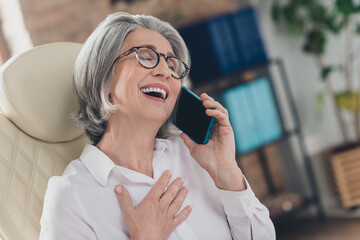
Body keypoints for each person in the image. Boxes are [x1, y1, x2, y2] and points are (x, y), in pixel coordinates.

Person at [39, 12, 276, 240]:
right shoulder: (71, 196)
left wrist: (227, 172)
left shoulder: (195, 158)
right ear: (104, 78)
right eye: (145, 56)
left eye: (173, 66)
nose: (165, 72)